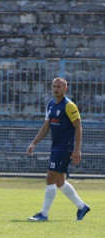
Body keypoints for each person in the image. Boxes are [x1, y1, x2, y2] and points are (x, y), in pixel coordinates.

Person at [27, 77, 90, 221]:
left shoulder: (69, 105)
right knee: (60, 182)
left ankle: (43, 214)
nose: (56, 89)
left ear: (65, 88)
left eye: (59, 87)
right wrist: (34, 143)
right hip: (56, 147)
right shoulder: (50, 104)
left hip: (65, 148)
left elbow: (78, 127)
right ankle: (82, 207)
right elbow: (45, 127)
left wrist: (77, 149)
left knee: (50, 178)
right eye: (54, 86)